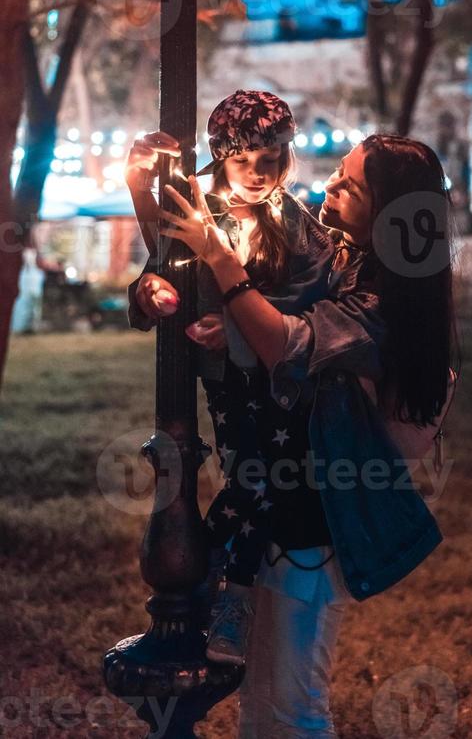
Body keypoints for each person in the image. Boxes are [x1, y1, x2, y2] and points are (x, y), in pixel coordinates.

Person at [158, 134, 459, 739]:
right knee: (261, 703)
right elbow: (274, 308)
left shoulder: (384, 300)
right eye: (336, 175)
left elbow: (287, 344)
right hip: (280, 514)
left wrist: (219, 255)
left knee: (295, 707)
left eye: (350, 186)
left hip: (318, 527)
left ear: (389, 211)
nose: (329, 187)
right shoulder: (342, 260)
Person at [125, 90, 335, 665]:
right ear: (221, 156)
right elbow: (158, 268)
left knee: (262, 480)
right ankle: (219, 589)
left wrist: (241, 323)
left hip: (282, 379)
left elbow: (312, 297)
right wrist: (152, 293)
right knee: (251, 479)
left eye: (271, 161)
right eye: (244, 161)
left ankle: (216, 583)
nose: (259, 175)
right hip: (225, 381)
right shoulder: (198, 210)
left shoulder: (293, 221)